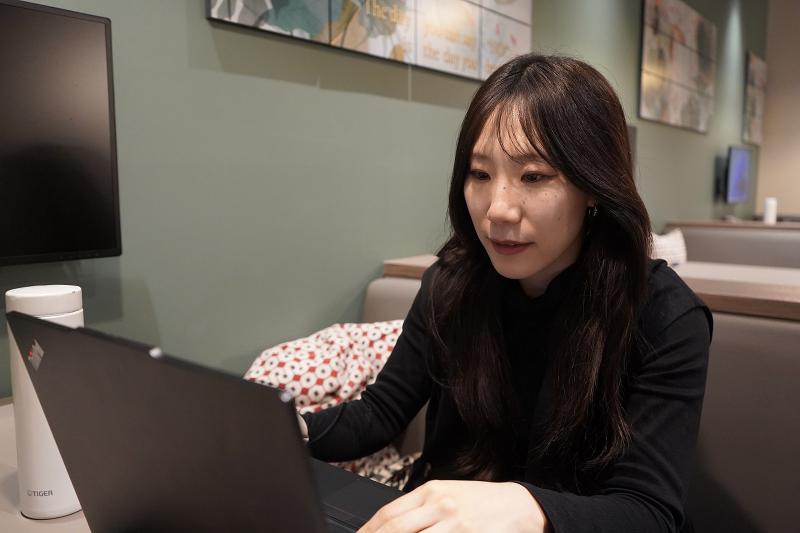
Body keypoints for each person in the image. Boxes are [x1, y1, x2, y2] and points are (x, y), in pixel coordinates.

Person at [298, 54, 712, 533]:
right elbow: (379, 412)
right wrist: (291, 429)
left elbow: (649, 512)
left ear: (593, 185)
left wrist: (529, 508)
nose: (498, 209)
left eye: (533, 176)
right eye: (480, 174)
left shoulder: (664, 315)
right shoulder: (451, 283)